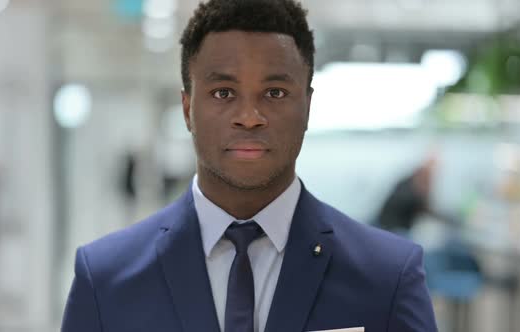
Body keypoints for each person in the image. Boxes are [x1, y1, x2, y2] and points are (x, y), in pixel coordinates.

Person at [61, 0, 438, 331]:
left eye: (274, 93)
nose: (249, 116)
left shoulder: (387, 277)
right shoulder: (107, 279)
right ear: (187, 108)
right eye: (223, 93)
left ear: (307, 106)